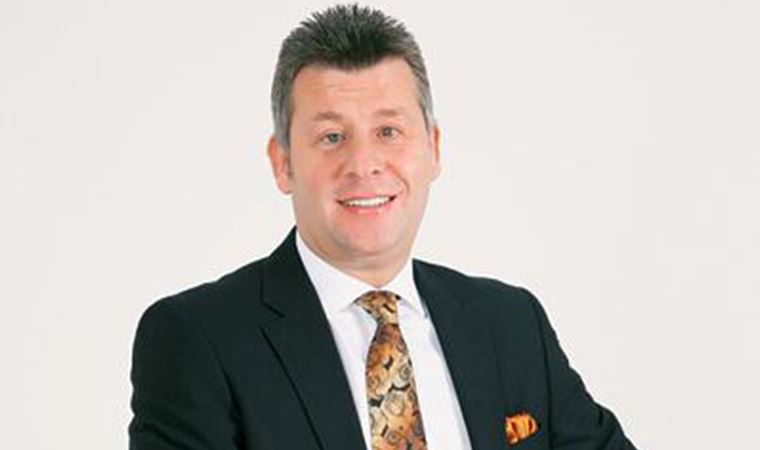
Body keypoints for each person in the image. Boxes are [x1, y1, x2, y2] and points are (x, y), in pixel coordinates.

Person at [128, 4, 637, 449]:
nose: (364, 164)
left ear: (433, 148)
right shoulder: (198, 340)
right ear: (282, 163)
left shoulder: (510, 325)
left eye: (389, 131)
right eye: (331, 137)